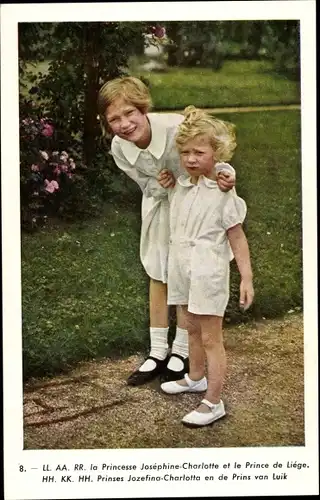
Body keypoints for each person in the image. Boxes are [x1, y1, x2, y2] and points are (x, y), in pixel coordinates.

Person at [97, 77, 236, 386]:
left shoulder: (176, 129)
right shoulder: (120, 148)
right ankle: (157, 350)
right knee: (159, 273)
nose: (124, 123)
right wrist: (158, 185)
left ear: (143, 108)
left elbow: (216, 155)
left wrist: (226, 176)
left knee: (187, 275)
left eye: (130, 113)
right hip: (162, 209)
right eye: (114, 119)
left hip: (194, 210)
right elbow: (144, 184)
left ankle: (181, 350)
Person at [159, 105, 254, 427]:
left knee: (212, 337)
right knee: (190, 326)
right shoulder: (185, 185)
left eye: (199, 152)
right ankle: (195, 376)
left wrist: (246, 278)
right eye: (185, 152)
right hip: (184, 267)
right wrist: (172, 182)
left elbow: (237, 236)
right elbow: (184, 200)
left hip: (208, 270)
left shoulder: (224, 187)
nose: (190, 158)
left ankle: (214, 401)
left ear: (217, 154)